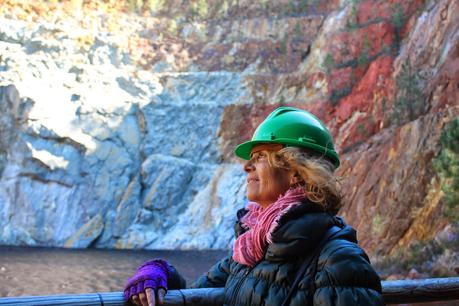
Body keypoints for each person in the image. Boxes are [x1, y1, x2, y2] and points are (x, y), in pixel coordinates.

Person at [123, 106, 384, 306]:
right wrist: (160, 273)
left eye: (259, 157)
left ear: (295, 171)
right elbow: (194, 297)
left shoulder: (339, 259)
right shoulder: (251, 250)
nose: (246, 166)